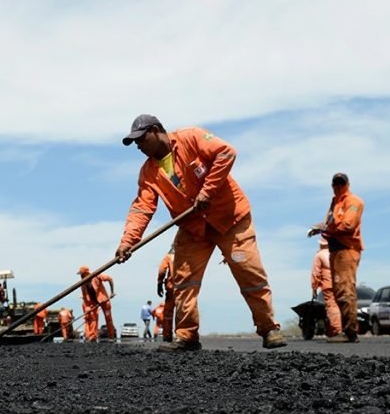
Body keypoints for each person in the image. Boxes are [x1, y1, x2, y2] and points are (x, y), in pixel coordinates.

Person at [115, 114, 286, 351]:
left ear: (155, 130)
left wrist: (207, 191)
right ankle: (187, 336)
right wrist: (128, 242)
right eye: (135, 143)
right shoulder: (148, 172)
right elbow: (142, 208)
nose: (139, 146)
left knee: (249, 273)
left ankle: (269, 329)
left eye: (141, 139)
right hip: (193, 227)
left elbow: (226, 153)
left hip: (230, 219)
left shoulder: (191, 138)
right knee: (184, 280)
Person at [308, 172, 364, 342]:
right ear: (332, 186)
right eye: (335, 184)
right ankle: (347, 331)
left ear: (347, 184)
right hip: (336, 250)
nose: (338, 186)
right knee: (340, 290)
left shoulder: (353, 201)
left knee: (345, 290)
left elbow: (348, 224)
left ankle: (350, 332)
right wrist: (319, 228)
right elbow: (329, 222)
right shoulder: (335, 202)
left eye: (341, 183)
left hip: (346, 249)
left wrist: (326, 229)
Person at [310, 237, 342, 338]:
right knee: (341, 305)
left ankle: (336, 330)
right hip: (341, 283)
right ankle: (344, 329)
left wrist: (314, 288)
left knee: (332, 306)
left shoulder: (320, 255)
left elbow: (316, 273)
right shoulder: (337, 253)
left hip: (328, 284)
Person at [78, 265, 116, 342]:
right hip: (93, 303)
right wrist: (87, 307)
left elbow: (110, 279)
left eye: (82, 274)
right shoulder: (83, 284)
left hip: (104, 301)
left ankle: (111, 337)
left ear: (86, 273)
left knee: (108, 318)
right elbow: (85, 297)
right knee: (93, 318)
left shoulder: (96, 276)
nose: (81, 276)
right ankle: (92, 336)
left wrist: (112, 292)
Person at [156, 244, 176, 342]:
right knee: (185, 310)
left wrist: (159, 283)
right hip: (186, 287)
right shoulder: (188, 254)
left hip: (172, 287)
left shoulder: (168, 257)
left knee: (168, 313)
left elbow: (162, 270)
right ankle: (184, 335)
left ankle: (167, 335)